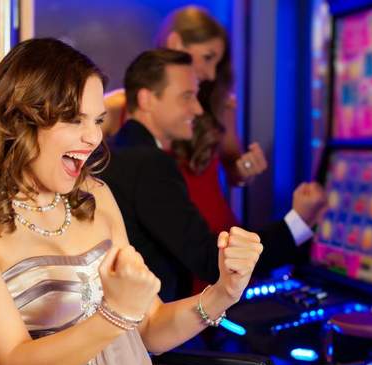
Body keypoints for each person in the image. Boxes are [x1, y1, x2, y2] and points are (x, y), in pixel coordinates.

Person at [0, 38, 320, 365]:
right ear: (19, 119)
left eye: (97, 120)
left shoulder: (95, 194)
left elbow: (150, 328)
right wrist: (115, 313)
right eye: (75, 119)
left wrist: (223, 292)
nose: (93, 137)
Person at [102, 49, 327, 302]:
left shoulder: (121, 150)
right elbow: (211, 260)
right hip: (148, 319)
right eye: (187, 97)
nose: (198, 109)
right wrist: (298, 222)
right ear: (147, 100)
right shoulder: (148, 162)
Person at [103, 6, 268, 236]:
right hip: (157, 245)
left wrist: (245, 169)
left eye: (217, 63)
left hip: (217, 239)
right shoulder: (117, 108)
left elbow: (234, 172)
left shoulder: (220, 104)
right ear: (175, 43)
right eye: (207, 57)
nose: (211, 74)